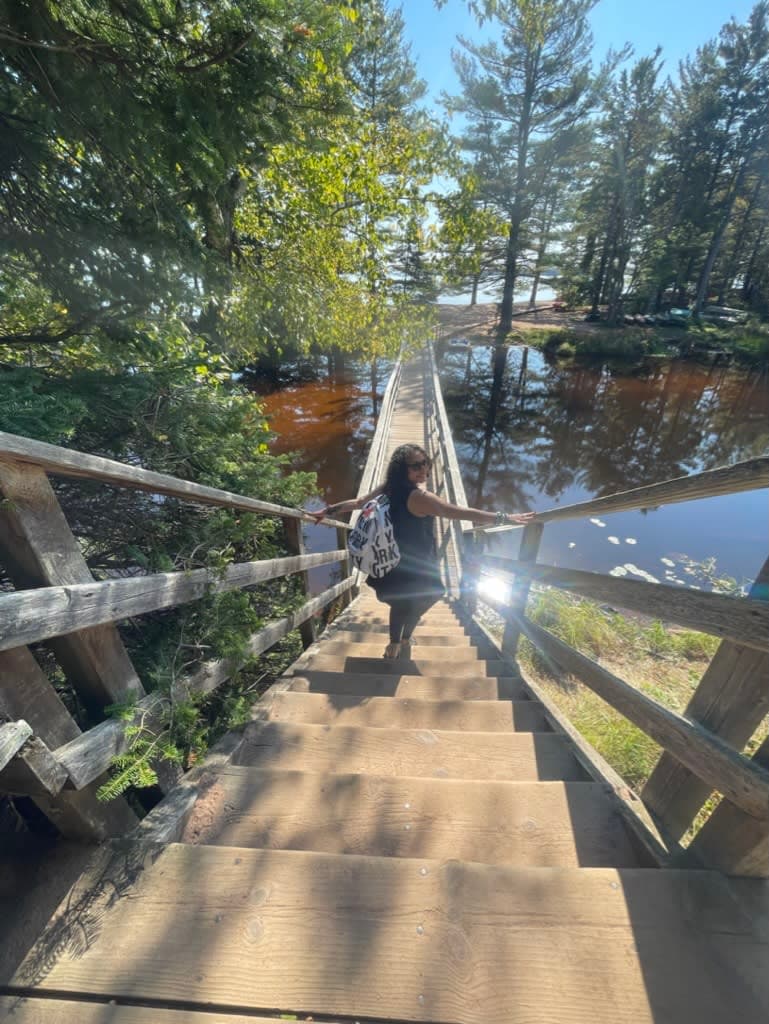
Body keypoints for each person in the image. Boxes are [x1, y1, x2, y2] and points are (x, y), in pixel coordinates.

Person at [312, 443, 535, 659]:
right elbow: (459, 512)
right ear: (403, 470)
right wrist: (503, 517)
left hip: (393, 555)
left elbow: (359, 502)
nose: (424, 469)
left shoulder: (390, 487)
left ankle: (398, 642)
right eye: (416, 466)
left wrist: (328, 510)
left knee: (405, 601)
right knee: (420, 598)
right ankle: (399, 641)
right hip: (416, 560)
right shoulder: (420, 497)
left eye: (425, 463)